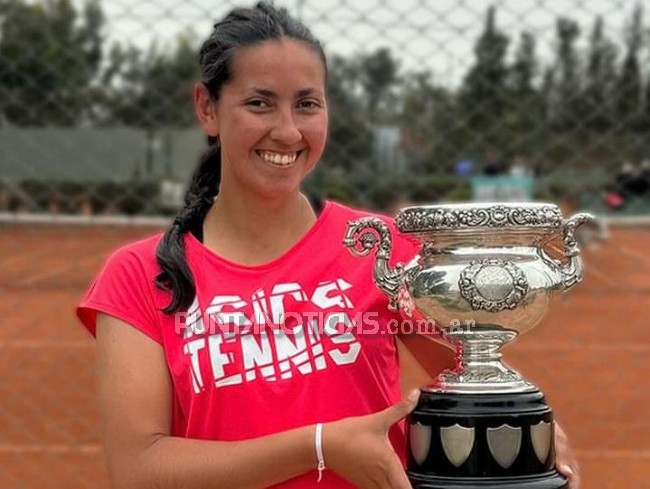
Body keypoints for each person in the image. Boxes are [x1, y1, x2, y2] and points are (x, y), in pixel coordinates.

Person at [76, 3, 580, 488]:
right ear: (208, 108)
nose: (288, 130)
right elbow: (139, 471)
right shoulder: (139, 275)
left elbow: (471, 370)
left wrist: (527, 433)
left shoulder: (379, 248)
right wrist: (319, 446)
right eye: (259, 102)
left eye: (307, 104)